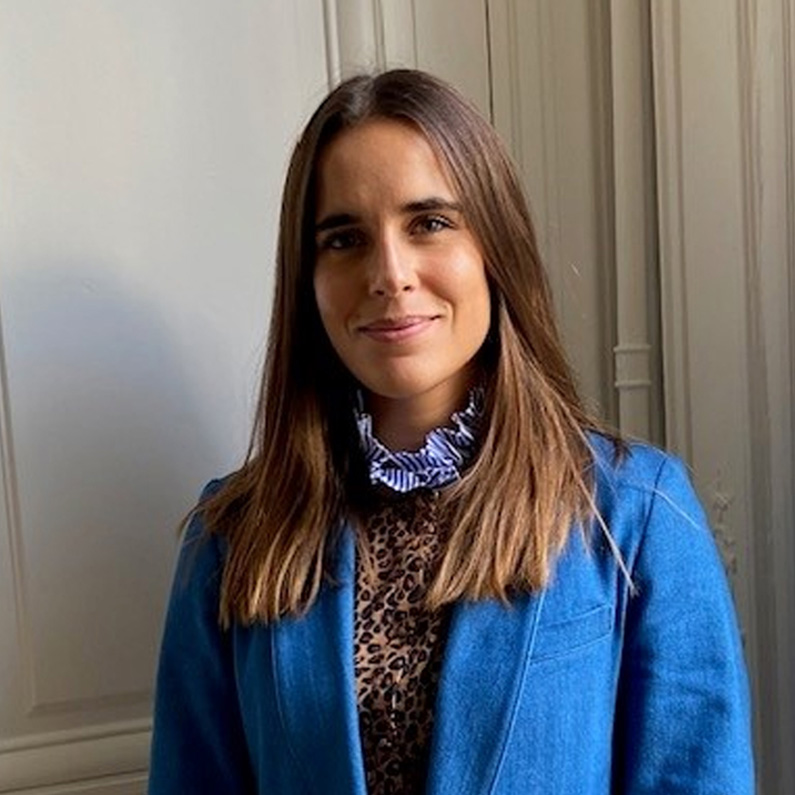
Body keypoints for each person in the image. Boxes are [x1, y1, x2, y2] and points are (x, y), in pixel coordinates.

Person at [148, 69, 754, 794]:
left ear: (495, 246)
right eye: (344, 238)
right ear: (308, 278)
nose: (389, 273)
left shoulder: (634, 513)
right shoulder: (232, 538)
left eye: (429, 223)